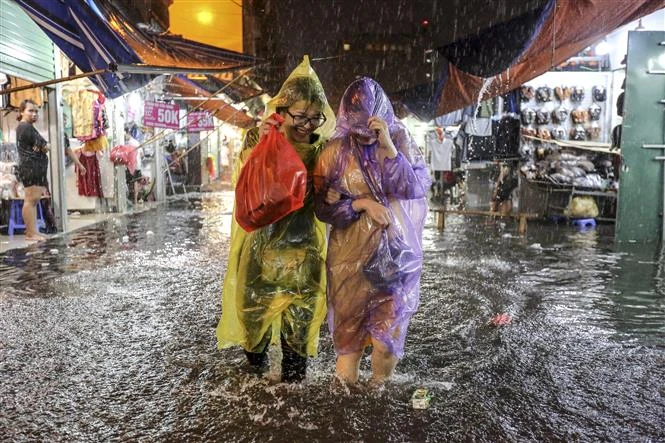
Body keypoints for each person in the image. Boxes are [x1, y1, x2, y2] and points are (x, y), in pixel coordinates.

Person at [216, 56, 336, 383]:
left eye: (315, 117)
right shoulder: (258, 139)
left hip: (304, 256)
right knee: (253, 340)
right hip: (261, 253)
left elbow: (331, 199)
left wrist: (335, 197)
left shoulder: (325, 149)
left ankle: (290, 414)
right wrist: (265, 145)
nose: (307, 124)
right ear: (281, 111)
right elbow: (243, 186)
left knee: (296, 350)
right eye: (300, 115)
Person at [313, 77, 430, 385]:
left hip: (394, 256)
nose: (365, 137)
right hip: (348, 261)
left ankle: (378, 393)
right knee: (348, 342)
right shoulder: (335, 152)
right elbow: (322, 207)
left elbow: (415, 188)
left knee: (386, 340)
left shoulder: (400, 141)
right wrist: (360, 204)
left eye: (370, 129)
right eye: (358, 130)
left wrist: (389, 149)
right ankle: (347, 411)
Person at [15, 99, 50, 241]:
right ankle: (30, 233)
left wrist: (42, 147)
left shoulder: (28, 127)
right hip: (31, 167)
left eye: (36, 111)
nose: (34, 114)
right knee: (30, 200)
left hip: (35, 167)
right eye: (30, 111)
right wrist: (42, 147)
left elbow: (42, 146)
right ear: (22, 112)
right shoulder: (25, 127)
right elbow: (44, 146)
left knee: (34, 201)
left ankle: (33, 231)